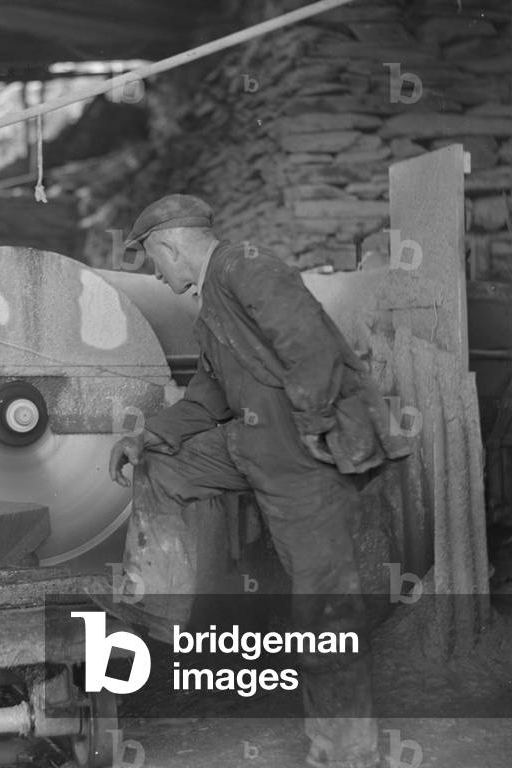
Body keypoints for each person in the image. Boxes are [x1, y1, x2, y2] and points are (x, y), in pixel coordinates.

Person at [106, 194, 411, 768]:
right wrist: (147, 435)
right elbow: (210, 393)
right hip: (253, 448)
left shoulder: (249, 267)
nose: (155, 271)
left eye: (152, 258)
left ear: (170, 244)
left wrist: (316, 427)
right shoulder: (213, 298)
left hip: (301, 461)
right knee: (162, 464)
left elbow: (311, 347)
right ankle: (158, 611)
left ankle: (347, 751)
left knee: (325, 610)